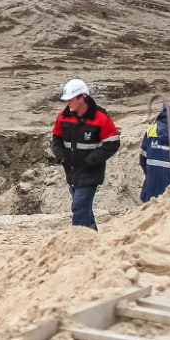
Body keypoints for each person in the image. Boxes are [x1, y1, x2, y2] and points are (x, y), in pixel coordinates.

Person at [52, 78, 121, 229]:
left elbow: (113, 143)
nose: (67, 103)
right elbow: (56, 138)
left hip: (90, 173)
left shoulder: (101, 119)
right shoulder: (63, 117)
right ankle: (93, 240)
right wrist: (61, 156)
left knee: (78, 208)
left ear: (82, 97)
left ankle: (79, 242)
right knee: (84, 210)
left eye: (70, 99)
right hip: (71, 172)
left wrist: (91, 160)